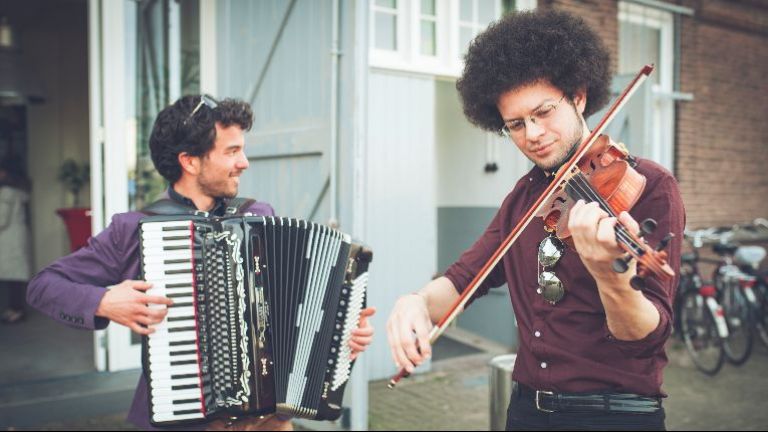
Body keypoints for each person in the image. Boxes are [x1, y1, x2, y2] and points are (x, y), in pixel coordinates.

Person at [386, 10, 684, 431]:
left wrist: (611, 277)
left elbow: (647, 334)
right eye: (516, 125)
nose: (533, 134)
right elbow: (464, 279)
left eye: (543, 112)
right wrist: (414, 302)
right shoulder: (525, 198)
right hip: (526, 412)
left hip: (613, 414)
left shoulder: (649, 185)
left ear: (578, 96)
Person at [27, 95, 375, 431]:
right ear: (190, 161)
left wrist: (340, 338)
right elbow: (43, 286)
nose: (244, 162)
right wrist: (103, 301)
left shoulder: (258, 216)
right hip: (185, 422)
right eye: (232, 151)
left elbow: (292, 318)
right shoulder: (132, 229)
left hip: (268, 422)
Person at [0, 155, 32, 324]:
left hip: (8, 239)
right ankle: (15, 309)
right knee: (16, 277)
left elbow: (2, 219)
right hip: (17, 236)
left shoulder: (6, 193)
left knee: (12, 277)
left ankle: (16, 310)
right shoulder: (20, 191)